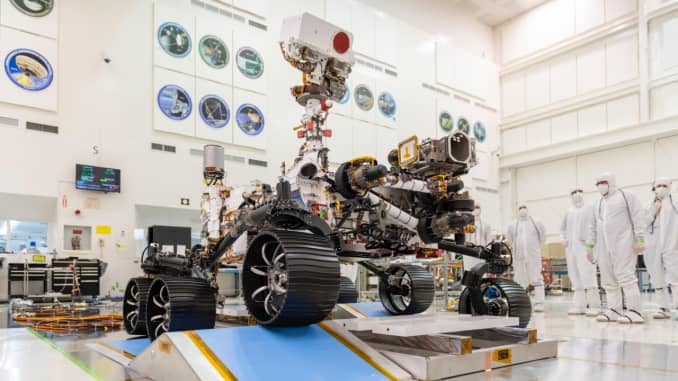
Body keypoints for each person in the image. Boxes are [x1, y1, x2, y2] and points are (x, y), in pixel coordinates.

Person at [586, 172, 645, 323]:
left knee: (626, 276)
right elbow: (592, 226)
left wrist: (639, 239)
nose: (600, 186)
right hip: (603, 245)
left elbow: (638, 217)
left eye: (603, 182)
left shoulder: (626, 196)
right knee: (608, 278)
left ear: (611, 181)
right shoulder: (598, 203)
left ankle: (635, 311)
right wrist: (590, 246)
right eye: (597, 183)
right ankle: (614, 309)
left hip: (624, 243)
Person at [560, 189, 601, 316]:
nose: (577, 194)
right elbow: (562, 228)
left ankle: (595, 305)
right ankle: (580, 305)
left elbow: (595, 226)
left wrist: (590, 242)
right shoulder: (569, 211)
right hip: (571, 248)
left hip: (585, 247)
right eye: (574, 192)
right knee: (575, 276)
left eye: (579, 191)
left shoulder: (590, 208)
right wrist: (564, 239)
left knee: (588, 274)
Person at [645, 177, 678, 319]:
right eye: (658, 186)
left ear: (670, 187)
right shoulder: (648, 205)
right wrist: (654, 211)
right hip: (652, 244)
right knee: (656, 275)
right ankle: (663, 308)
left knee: (675, 275)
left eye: (664, 185)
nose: (661, 188)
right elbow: (642, 222)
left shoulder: (674, 202)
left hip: (671, 242)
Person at [507, 204, 546, 312]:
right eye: (520, 208)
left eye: (524, 208)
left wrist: (535, 249)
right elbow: (510, 240)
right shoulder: (513, 225)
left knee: (536, 278)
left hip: (533, 256)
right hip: (519, 257)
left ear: (528, 209)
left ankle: (539, 303)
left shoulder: (536, 222)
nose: (522, 210)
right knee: (520, 280)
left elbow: (542, 237)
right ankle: (522, 303)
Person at [464, 204, 493, 271]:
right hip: (468, 254)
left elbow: (489, 240)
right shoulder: (465, 224)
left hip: (481, 254)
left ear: (480, 209)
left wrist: (487, 252)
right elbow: (462, 239)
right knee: (469, 273)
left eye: (477, 207)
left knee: (481, 273)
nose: (476, 209)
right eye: (474, 207)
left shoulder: (486, 225)